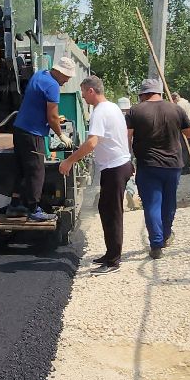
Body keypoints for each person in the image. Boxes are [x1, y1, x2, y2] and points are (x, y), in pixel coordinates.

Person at [59, 75, 132, 271]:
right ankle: (110, 253)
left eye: (83, 92)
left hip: (115, 168)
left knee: (112, 213)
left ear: (91, 90)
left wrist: (69, 161)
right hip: (118, 164)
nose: (82, 97)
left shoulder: (99, 112)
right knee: (105, 209)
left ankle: (113, 261)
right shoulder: (113, 107)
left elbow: (92, 142)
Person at [125, 78, 190, 258]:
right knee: (169, 202)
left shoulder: (135, 111)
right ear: (159, 93)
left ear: (143, 94)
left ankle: (156, 245)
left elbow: (127, 137)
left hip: (148, 165)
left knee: (152, 204)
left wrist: (128, 159)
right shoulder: (175, 109)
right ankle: (165, 235)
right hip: (173, 165)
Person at [8, 56, 75, 222]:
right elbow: (52, 117)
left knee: (22, 169)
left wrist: (51, 118)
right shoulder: (52, 86)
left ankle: (15, 205)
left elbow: (40, 106)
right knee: (36, 171)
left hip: (19, 129)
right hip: (32, 133)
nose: (66, 81)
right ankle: (33, 209)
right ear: (60, 72)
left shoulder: (40, 75)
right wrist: (61, 135)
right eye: (67, 77)